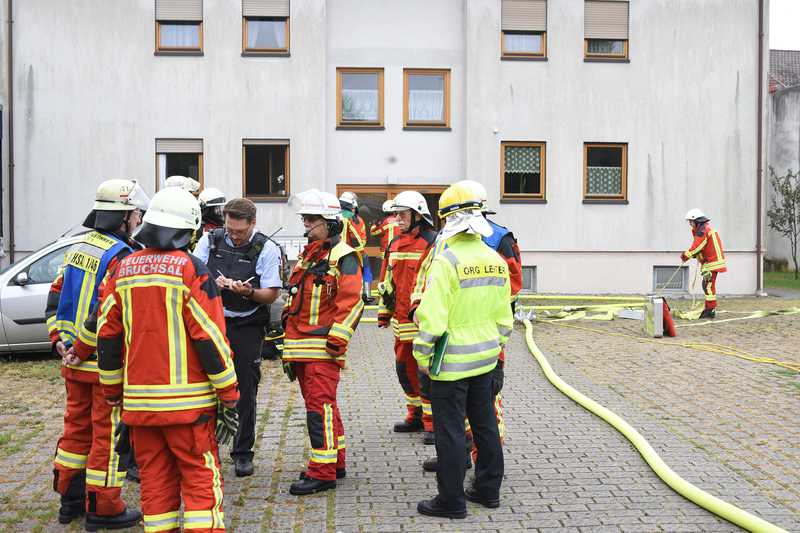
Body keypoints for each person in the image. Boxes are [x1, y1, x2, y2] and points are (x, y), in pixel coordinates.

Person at [97, 186, 239, 533]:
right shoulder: (193, 270)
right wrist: (229, 394)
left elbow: (107, 337)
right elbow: (210, 338)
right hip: (189, 408)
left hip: (140, 407)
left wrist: (114, 392)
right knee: (200, 483)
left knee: (155, 485)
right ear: (189, 230)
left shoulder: (123, 269)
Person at [46, 179, 147, 529]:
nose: (138, 219)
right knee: (106, 436)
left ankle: (69, 500)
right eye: (135, 213)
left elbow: (57, 295)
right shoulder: (122, 256)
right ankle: (104, 509)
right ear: (124, 216)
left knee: (75, 431)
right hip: (103, 365)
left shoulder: (78, 247)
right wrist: (82, 348)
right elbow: (106, 313)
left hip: (71, 362)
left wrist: (60, 340)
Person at [412, 182, 512, 519]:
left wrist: (422, 356)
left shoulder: (447, 261)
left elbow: (432, 319)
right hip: (485, 360)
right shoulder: (495, 259)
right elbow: (504, 318)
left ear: (446, 220)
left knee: (451, 431)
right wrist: (494, 345)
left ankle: (451, 501)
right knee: (484, 425)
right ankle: (488, 491)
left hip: (451, 364)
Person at [282, 189, 364, 495]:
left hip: (321, 348)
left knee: (320, 409)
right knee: (323, 407)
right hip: (300, 347)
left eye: (311, 219)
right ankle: (335, 461)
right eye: (305, 218)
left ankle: (323, 472)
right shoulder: (308, 254)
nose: (305, 224)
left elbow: (353, 302)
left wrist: (336, 341)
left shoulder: (344, 257)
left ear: (329, 222)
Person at [194, 198, 282, 477]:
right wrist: (210, 282)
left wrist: (247, 292)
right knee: (204, 387)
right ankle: (207, 450)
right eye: (230, 230)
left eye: (240, 232)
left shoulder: (266, 248)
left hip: (247, 326)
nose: (234, 235)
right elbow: (192, 274)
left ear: (253, 224)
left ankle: (242, 452)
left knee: (244, 390)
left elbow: (271, 293)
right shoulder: (210, 241)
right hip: (212, 324)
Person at [376, 191, 437, 433]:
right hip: (401, 322)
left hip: (424, 322)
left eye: (402, 214)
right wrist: (384, 312)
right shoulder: (395, 243)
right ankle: (416, 416)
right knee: (404, 370)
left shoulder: (433, 242)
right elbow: (387, 281)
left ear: (418, 215)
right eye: (396, 213)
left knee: (426, 374)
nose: (397, 218)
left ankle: (433, 425)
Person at [681, 209, 727, 318]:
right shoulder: (704, 229)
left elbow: (697, 247)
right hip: (711, 262)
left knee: (708, 285)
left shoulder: (703, 231)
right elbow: (701, 248)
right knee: (706, 285)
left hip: (712, 263)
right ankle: (709, 309)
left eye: (691, 222)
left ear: (697, 221)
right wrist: (696, 255)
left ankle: (710, 311)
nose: (690, 224)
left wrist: (685, 255)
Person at [339, 191, 372, 302]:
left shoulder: (340, 218)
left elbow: (360, 238)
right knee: (358, 274)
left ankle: (363, 295)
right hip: (352, 253)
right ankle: (364, 295)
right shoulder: (353, 219)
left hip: (345, 252)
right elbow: (360, 239)